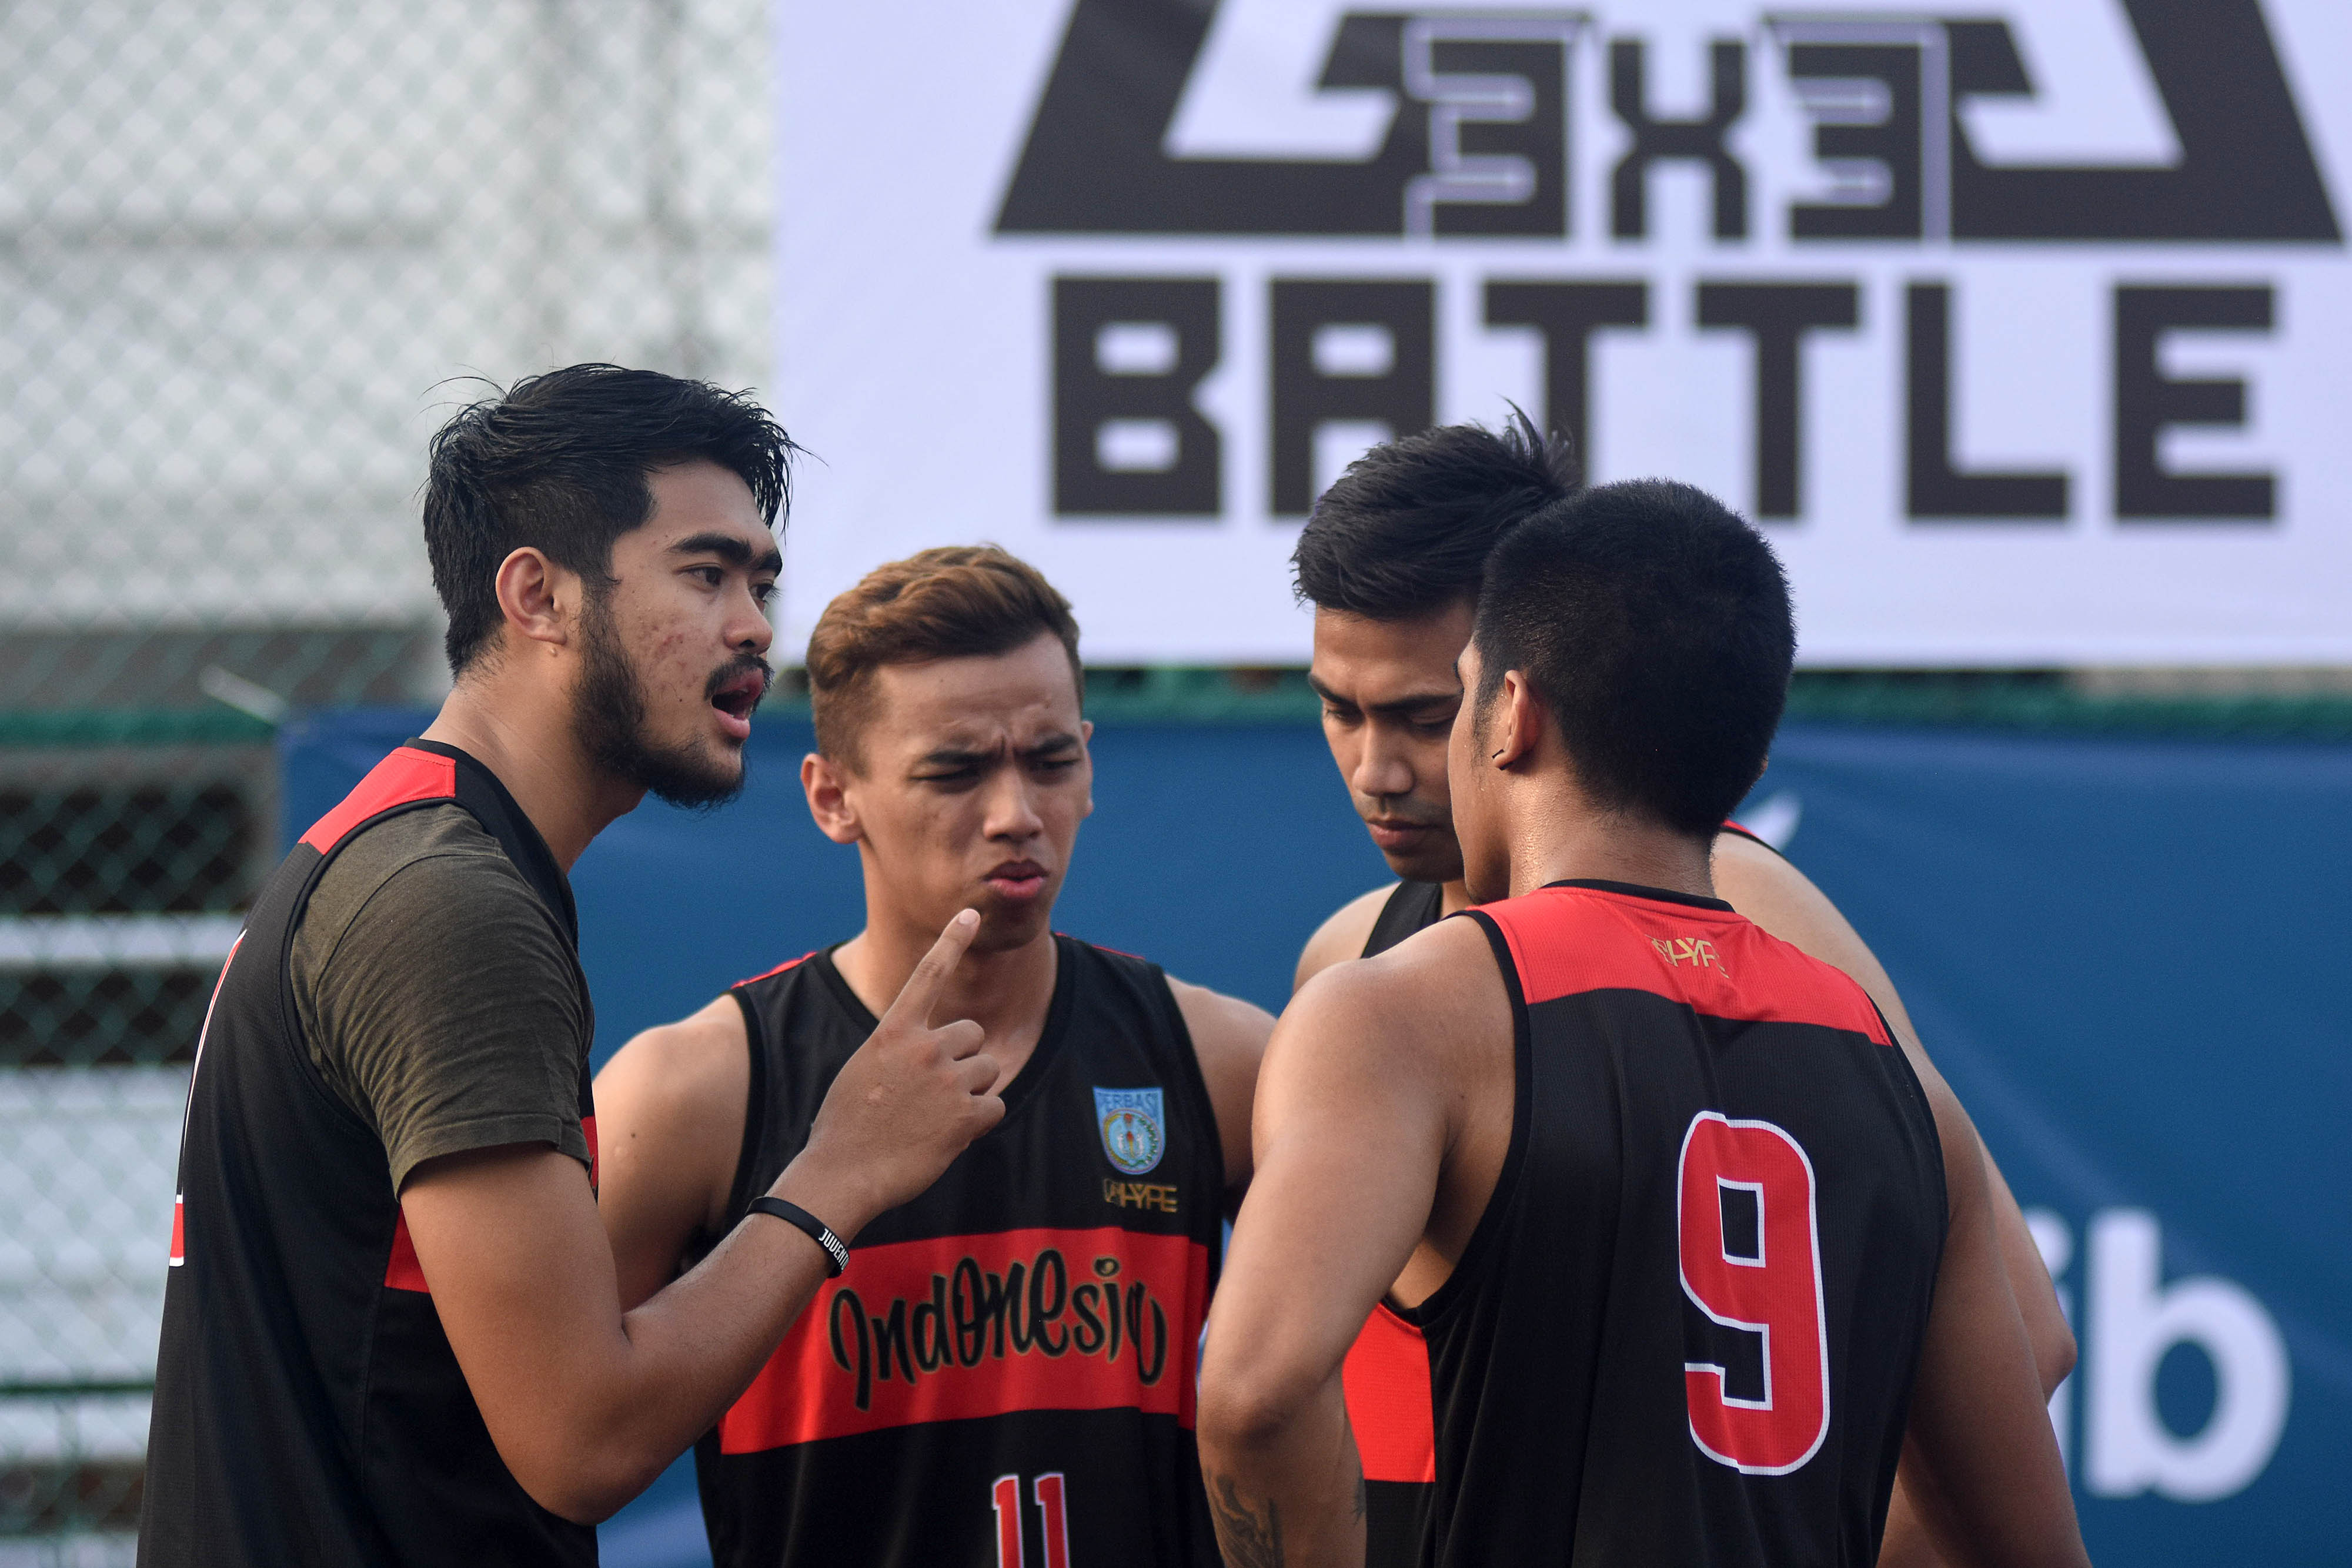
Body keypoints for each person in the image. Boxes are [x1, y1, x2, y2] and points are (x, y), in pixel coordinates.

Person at [141, 366, 1007, 1567]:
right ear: (537, 594)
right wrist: (838, 1172)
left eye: (761, 580)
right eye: (704, 574)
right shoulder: (447, 904)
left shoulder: (410, 853)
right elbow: (581, 1439)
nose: (754, 624)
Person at [1199, 481, 2088, 1567]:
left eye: (1432, 714)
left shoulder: (1751, 935)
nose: (1380, 772)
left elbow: (2024, 1335)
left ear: (1514, 694)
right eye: (1341, 709)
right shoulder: (1357, 961)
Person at [594, 546, 1274, 1568]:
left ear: (1090, 766)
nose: (1016, 814)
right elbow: (559, 1437)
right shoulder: (694, 1091)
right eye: (954, 770)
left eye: (1051, 760)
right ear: (832, 798)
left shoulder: (1218, 1061)